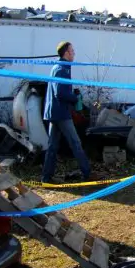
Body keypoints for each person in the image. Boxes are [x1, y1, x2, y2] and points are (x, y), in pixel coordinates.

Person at [42, 42, 98, 184]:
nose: (74, 53)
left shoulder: (58, 67)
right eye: (72, 51)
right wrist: (75, 98)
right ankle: (87, 174)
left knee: (52, 146)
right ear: (66, 53)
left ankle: (46, 178)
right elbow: (60, 93)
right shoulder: (62, 69)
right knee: (75, 143)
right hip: (61, 113)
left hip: (53, 112)